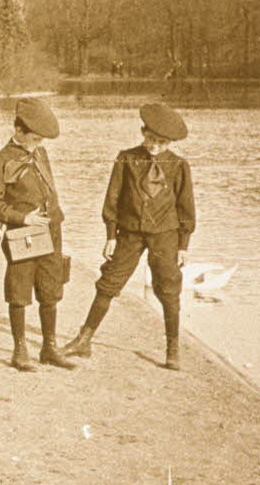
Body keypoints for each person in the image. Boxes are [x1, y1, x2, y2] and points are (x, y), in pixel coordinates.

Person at [63, 102, 196, 371]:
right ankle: (84, 339)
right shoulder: (126, 159)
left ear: (170, 142)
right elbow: (112, 199)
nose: (154, 146)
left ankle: (172, 349)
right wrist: (111, 235)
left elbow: (186, 207)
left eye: (161, 142)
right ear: (142, 132)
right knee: (108, 284)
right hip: (130, 234)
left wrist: (183, 245)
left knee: (169, 290)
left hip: (165, 236)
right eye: (150, 139)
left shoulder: (179, 166)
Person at [0, 97, 75, 372]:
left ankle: (49, 347)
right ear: (18, 131)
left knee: (50, 289)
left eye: (41, 140)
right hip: (23, 233)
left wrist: (55, 215)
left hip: (50, 229)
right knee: (19, 291)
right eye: (34, 138)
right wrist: (23, 218)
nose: (39, 144)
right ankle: (20, 350)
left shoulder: (40, 154)